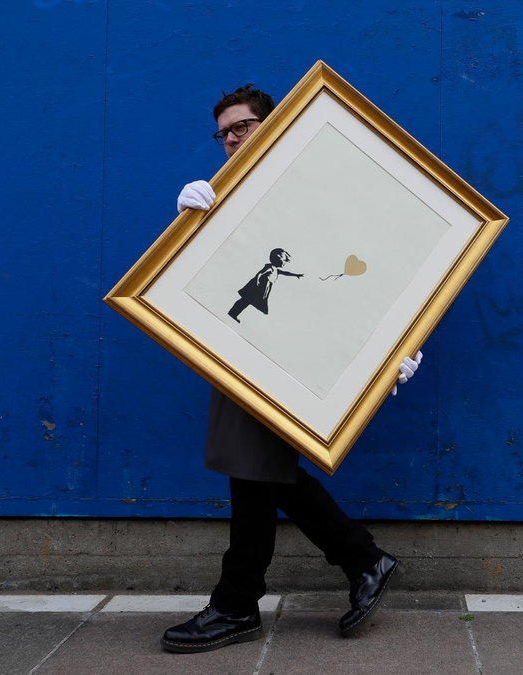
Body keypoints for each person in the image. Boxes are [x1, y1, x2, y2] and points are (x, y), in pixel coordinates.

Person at [161, 84, 424, 654]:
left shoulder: (310, 189)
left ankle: (240, 603)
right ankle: (359, 562)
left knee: (254, 472)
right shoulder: (223, 195)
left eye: (243, 125)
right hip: (241, 355)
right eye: (224, 131)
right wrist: (187, 224)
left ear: (273, 123)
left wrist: (396, 346)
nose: (232, 138)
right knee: (258, 472)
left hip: (292, 355)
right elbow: (201, 278)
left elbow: (355, 269)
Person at [228, 248, 302, 323]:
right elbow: (260, 273)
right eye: (284, 260)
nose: (285, 263)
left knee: (246, 301)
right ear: (278, 258)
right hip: (257, 289)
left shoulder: (276, 270)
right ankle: (232, 313)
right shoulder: (270, 267)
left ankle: (233, 313)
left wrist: (296, 275)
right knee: (245, 301)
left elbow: (286, 273)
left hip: (263, 290)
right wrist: (257, 280)